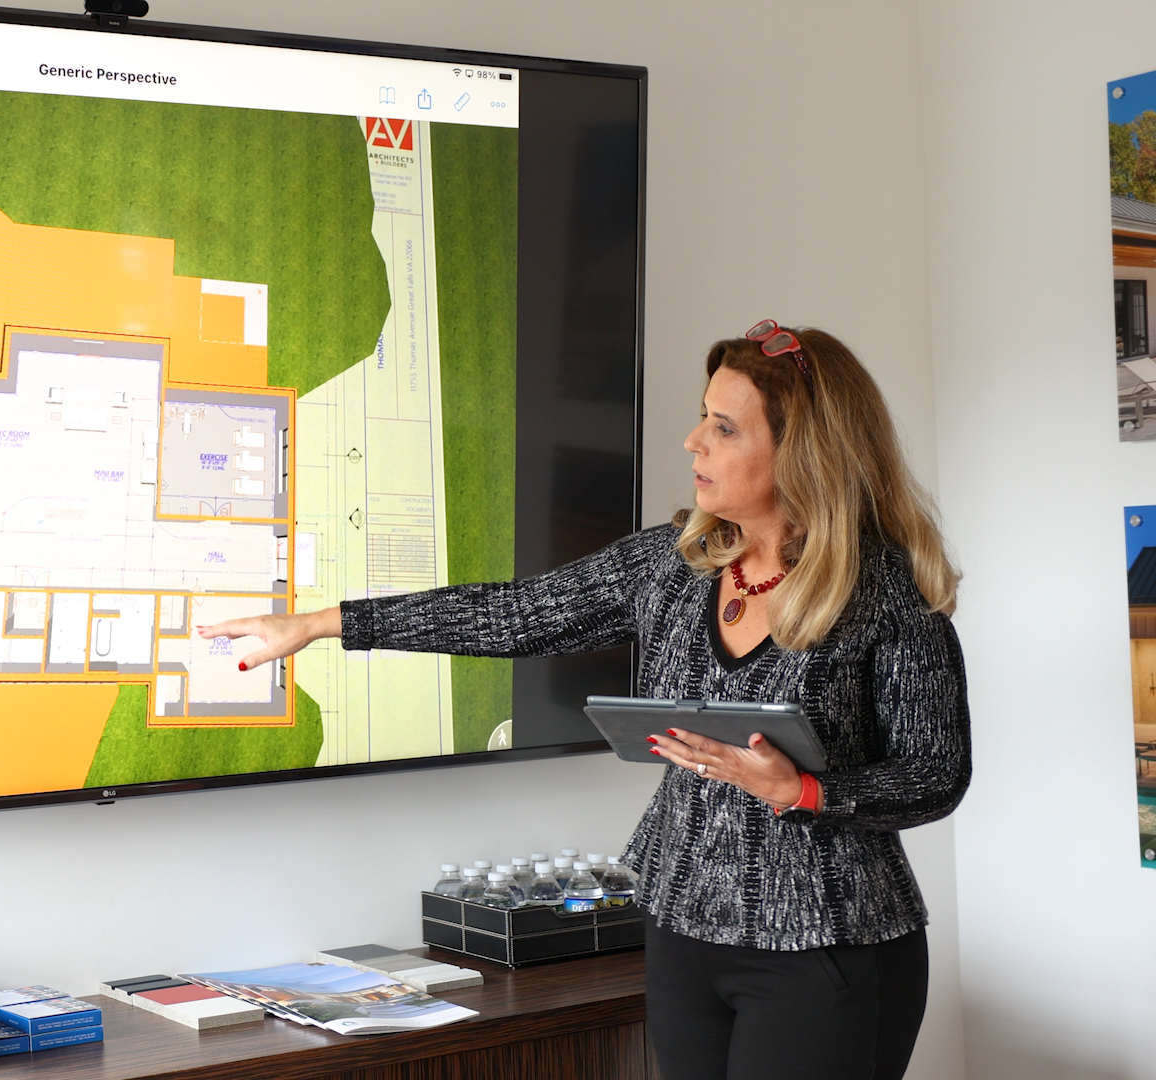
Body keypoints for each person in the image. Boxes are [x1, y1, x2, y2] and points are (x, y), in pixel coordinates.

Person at [202, 323, 970, 1080]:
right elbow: (514, 614)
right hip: (682, 931)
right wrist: (322, 624)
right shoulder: (673, 563)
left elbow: (936, 772)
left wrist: (803, 791)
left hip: (827, 944)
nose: (693, 442)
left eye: (724, 427)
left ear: (803, 452)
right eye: (703, 416)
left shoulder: (885, 593)